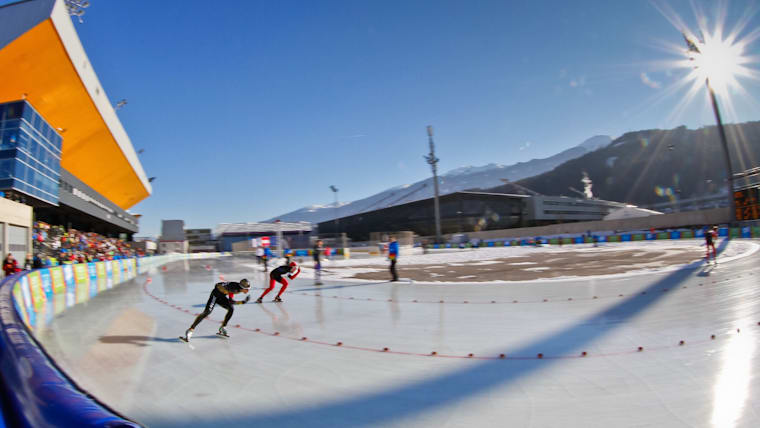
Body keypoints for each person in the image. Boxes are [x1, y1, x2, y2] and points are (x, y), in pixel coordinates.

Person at [179, 279, 251, 342]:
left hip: (221, 297)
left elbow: (230, 300)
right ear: (242, 287)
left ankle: (223, 327)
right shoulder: (234, 288)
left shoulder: (237, 289)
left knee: (231, 309)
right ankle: (191, 329)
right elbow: (218, 286)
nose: (248, 291)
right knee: (207, 312)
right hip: (215, 296)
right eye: (247, 289)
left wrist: (242, 302)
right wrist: (241, 301)